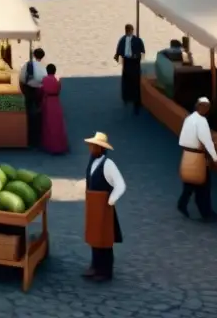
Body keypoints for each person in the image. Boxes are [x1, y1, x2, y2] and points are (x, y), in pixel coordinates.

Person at [82, 132, 125, 282]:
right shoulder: (92, 161)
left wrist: (110, 201)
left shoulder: (108, 164)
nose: (91, 149)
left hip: (103, 205)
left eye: (93, 146)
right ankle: (95, 265)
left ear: (100, 148)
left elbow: (120, 185)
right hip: (93, 204)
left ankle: (105, 270)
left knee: (105, 238)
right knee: (94, 236)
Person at [177, 98, 217, 222]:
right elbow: (207, 141)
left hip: (187, 154)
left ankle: (183, 203)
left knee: (190, 181)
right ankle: (205, 212)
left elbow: (182, 139)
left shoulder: (189, 119)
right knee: (204, 184)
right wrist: (214, 157)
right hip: (199, 156)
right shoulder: (202, 122)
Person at [114, 24, 145, 115]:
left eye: (130, 30)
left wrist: (137, 57)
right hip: (127, 61)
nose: (129, 31)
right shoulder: (123, 39)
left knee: (136, 81)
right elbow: (119, 49)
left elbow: (142, 51)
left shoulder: (137, 40)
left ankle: (137, 101)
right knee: (126, 80)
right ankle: (126, 97)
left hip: (135, 62)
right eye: (128, 30)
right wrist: (118, 56)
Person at [18, 48, 46, 147]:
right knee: (38, 114)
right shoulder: (43, 67)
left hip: (28, 90)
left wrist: (24, 90)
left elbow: (21, 78)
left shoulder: (28, 65)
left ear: (34, 54)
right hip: (39, 92)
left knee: (28, 113)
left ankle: (28, 138)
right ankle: (37, 138)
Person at [40, 63, 69, 155]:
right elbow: (59, 89)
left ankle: (50, 146)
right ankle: (60, 146)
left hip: (48, 102)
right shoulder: (58, 79)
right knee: (58, 124)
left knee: (48, 124)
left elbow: (41, 90)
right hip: (56, 101)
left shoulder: (44, 79)